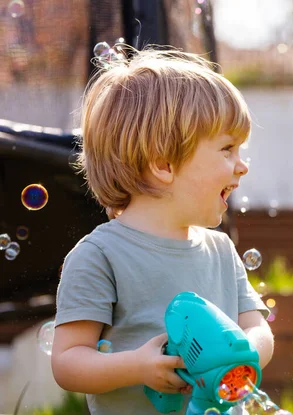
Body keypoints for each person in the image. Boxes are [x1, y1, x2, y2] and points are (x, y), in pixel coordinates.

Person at [50, 46, 274, 415]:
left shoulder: (220, 250)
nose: (242, 166)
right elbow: (68, 362)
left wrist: (243, 351)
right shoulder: (100, 256)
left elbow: (259, 330)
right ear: (163, 164)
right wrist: (138, 366)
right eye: (227, 149)